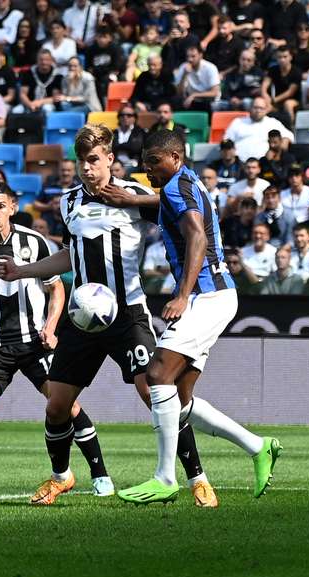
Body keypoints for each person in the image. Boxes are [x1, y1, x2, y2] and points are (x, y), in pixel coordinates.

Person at [0, 125, 219, 508]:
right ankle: (61, 477)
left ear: (110, 159)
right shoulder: (68, 203)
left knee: (157, 394)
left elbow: (179, 216)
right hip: (82, 319)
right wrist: (23, 270)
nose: (86, 168)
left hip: (127, 314)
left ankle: (198, 478)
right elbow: (72, 255)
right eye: (81, 161)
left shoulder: (134, 194)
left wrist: (185, 285)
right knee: (56, 404)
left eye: (94, 160)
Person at [117, 129, 281, 505]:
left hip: (206, 296)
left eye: (154, 163)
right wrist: (127, 199)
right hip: (219, 295)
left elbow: (197, 238)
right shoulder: (185, 185)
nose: (148, 171)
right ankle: (258, 446)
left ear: (175, 158)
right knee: (180, 398)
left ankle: (163, 477)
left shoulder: (177, 188)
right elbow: (160, 205)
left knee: (157, 374)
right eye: (144, 166)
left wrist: (182, 295)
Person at [0, 179, 111, 497]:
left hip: (35, 341)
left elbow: (56, 288)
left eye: (0, 206)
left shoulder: (36, 243)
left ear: (13, 208)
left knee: (65, 405)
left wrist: (50, 326)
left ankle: (99, 473)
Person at [222, 98, 294, 161]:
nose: (258, 111)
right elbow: (227, 141)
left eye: (261, 108)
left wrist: (283, 143)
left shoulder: (272, 122)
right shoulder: (238, 122)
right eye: (255, 108)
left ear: (266, 110)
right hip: (240, 164)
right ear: (250, 108)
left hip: (264, 163)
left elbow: (289, 136)